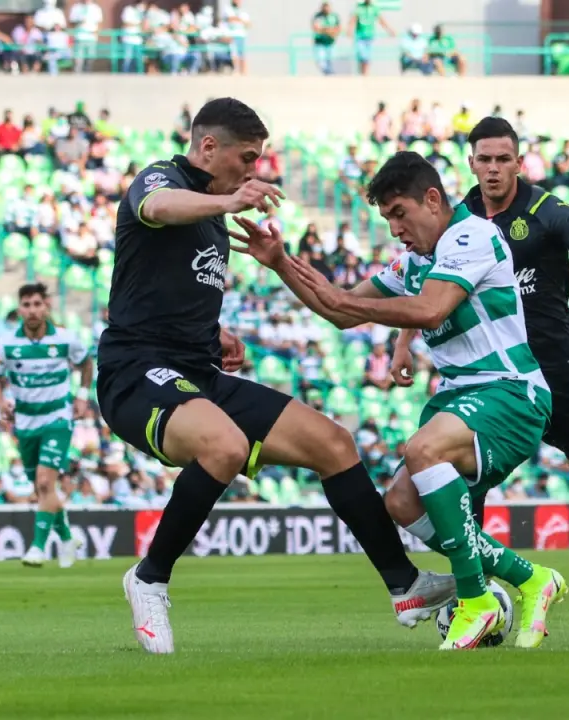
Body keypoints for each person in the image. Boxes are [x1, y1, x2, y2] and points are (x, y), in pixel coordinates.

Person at [100, 99, 448, 654]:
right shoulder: (163, 179)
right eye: (246, 158)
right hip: (135, 372)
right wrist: (228, 199)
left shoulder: (211, 216)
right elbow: (157, 207)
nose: (252, 172)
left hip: (196, 371)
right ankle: (149, 578)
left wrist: (215, 334)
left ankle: (405, 586)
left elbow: (161, 286)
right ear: (208, 147)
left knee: (334, 443)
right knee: (224, 446)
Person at [230, 151, 567, 650]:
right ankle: (531, 578)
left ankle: (475, 600)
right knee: (402, 503)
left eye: (399, 213)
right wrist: (281, 263)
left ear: (432, 199)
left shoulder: (471, 235)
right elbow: (340, 311)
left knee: (422, 450)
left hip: (511, 391)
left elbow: (430, 310)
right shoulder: (414, 263)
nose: (395, 229)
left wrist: (349, 303)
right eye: (387, 218)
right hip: (461, 395)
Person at [451, 117, 569, 540]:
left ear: (519, 163)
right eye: (484, 159)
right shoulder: (459, 219)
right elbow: (429, 280)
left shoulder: (548, 210)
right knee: (469, 462)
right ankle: (472, 565)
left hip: (554, 357)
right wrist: (404, 343)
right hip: (495, 364)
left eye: (503, 159)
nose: (493, 168)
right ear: (471, 163)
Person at [0, 283, 91, 568]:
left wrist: (82, 396)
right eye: (26, 305)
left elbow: (86, 364)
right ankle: (67, 537)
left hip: (57, 417)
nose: (32, 310)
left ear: (46, 307)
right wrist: (0, 403)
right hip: (25, 423)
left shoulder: (65, 339)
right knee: (42, 489)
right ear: (19, 309)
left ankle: (37, 547)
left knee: (45, 482)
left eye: (37, 304)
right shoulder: (7, 344)